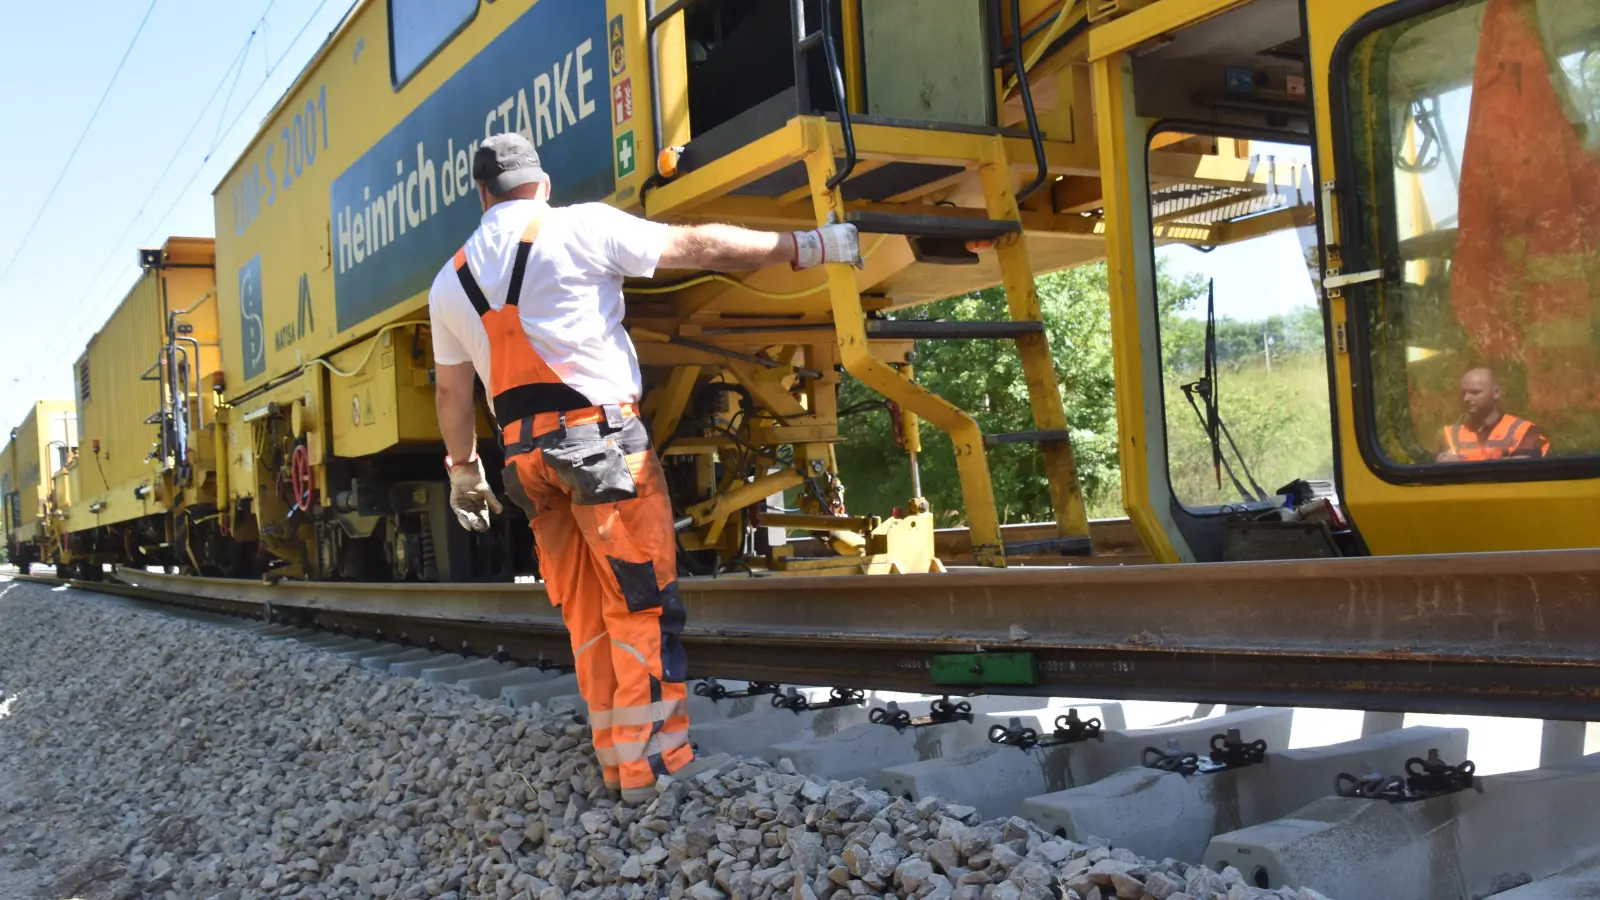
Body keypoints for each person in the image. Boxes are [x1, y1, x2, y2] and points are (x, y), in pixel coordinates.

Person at [427, 133, 860, 803]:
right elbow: (702, 247)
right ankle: (654, 771)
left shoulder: (448, 280)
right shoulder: (580, 227)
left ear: (482, 197)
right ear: (542, 185)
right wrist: (808, 246)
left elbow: (452, 394)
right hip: (598, 447)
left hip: (523, 462)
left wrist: (463, 470)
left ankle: (617, 758)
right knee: (640, 605)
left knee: (589, 618)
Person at [1436, 366, 1551, 461]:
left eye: (1475, 392)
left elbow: (1523, 471)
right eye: (1463, 393)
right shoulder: (1450, 435)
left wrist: (1462, 462)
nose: (1466, 398)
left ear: (1496, 393)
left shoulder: (1523, 430)